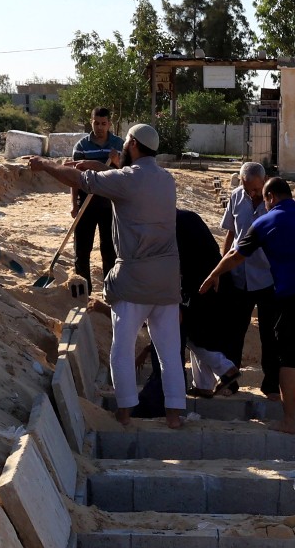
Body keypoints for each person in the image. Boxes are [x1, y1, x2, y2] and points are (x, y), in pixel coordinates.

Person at [27, 123, 184, 426]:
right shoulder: (166, 180)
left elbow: (82, 180)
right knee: (168, 352)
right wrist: (99, 165)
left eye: (127, 142)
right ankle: (175, 416)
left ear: (134, 145)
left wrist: (45, 164)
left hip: (135, 280)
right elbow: (124, 178)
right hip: (167, 280)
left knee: (121, 349)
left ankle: (124, 412)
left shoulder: (125, 180)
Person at [200, 177, 295, 434]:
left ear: (270, 198)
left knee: (289, 358)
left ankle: (288, 421)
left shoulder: (265, 221)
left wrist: (214, 274)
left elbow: (236, 254)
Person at [218, 162, 279, 388]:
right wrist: (222, 267)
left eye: (255, 189)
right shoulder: (236, 197)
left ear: (263, 183)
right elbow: (231, 233)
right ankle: (230, 382)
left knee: (269, 334)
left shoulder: (274, 202)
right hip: (239, 276)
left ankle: (271, 384)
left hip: (267, 277)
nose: (251, 194)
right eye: (246, 188)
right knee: (234, 332)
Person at [175, 206, 234, 397]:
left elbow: (178, 262)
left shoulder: (172, 224)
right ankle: (203, 385)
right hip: (212, 279)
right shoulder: (189, 217)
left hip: (196, 285)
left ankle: (225, 368)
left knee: (190, 333)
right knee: (200, 334)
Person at [70, 106, 120, 290]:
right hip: (86, 204)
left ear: (109, 124)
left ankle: (111, 290)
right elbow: (74, 178)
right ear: (91, 121)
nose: (99, 127)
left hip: (110, 205)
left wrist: (116, 161)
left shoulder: (118, 144)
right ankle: (84, 291)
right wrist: (74, 205)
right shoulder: (82, 146)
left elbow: (127, 172)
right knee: (82, 251)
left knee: (110, 250)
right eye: (96, 123)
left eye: (103, 123)